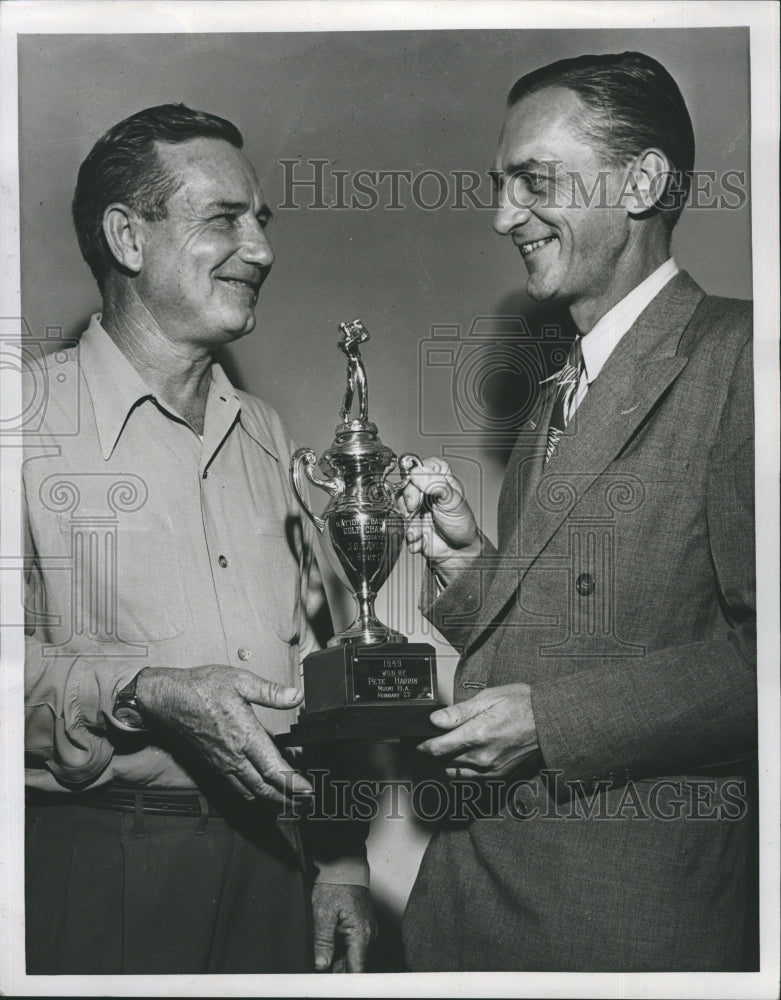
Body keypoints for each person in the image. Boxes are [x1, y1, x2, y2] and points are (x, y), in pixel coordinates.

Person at [401, 52, 756, 971]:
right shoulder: (564, 384)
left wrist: (554, 725)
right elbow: (578, 636)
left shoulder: (744, 358)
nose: (501, 215)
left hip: (620, 930)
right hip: (474, 909)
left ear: (641, 181)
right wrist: (470, 569)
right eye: (500, 184)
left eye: (533, 180)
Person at [23, 104, 376, 974]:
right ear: (127, 237)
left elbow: (323, 663)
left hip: (272, 859)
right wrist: (146, 690)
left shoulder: (267, 432)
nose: (261, 249)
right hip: (95, 863)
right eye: (224, 218)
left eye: (261, 221)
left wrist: (338, 860)